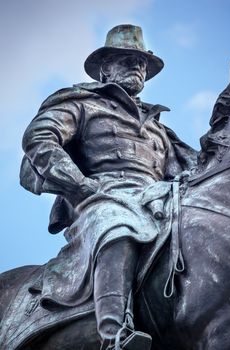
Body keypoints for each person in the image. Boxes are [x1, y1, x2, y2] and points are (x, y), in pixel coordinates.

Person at [20, 24, 197, 349]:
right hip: (100, 198)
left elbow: (193, 170)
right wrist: (79, 185)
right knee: (117, 221)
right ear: (104, 68)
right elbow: (39, 139)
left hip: (158, 201)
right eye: (128, 59)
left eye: (142, 62)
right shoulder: (81, 103)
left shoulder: (158, 128)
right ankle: (116, 334)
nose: (138, 67)